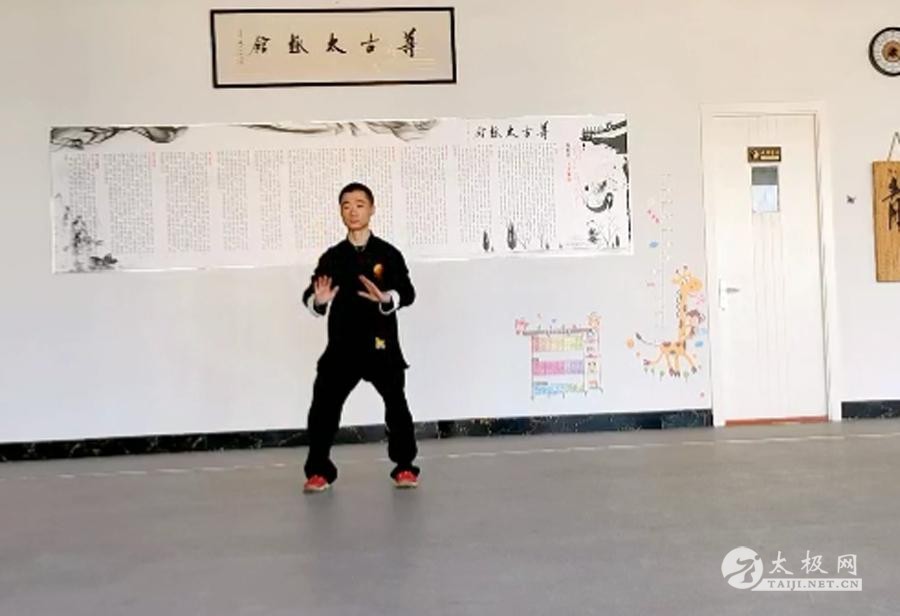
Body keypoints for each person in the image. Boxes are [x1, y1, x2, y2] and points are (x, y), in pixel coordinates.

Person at [300, 182, 420, 492]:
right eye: (346, 206)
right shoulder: (333, 257)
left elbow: (407, 292)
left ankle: (405, 467)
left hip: (381, 344)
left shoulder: (388, 254)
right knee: (323, 407)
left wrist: (387, 298)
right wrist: (319, 301)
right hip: (342, 346)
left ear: (372, 209)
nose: (353, 211)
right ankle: (319, 471)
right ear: (340, 212)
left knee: (397, 405)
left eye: (359, 204)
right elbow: (310, 295)